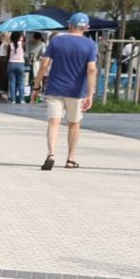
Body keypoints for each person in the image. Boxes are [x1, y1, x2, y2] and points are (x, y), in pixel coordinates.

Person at [37, 12, 98, 170]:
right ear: (86, 28)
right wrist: (90, 94)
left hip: (55, 88)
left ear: (69, 25)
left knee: (54, 121)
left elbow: (44, 64)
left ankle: (51, 154)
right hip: (77, 91)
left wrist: (36, 85)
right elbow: (91, 70)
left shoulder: (56, 41)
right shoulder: (90, 45)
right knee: (74, 123)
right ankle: (70, 159)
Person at [6, 34, 28, 104]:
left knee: (12, 83)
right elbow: (24, 53)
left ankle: (13, 99)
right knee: (21, 83)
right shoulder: (23, 44)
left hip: (11, 63)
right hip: (20, 64)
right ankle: (22, 99)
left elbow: (8, 55)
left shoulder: (10, 45)